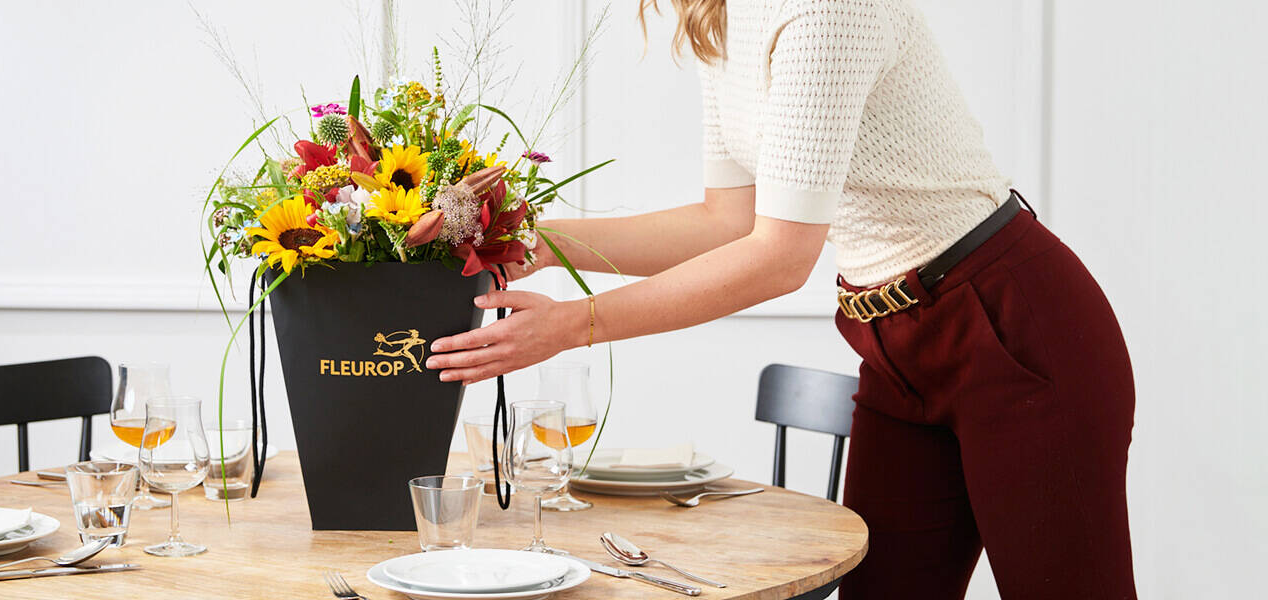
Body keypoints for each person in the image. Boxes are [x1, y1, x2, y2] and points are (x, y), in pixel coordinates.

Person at [426, 1, 1137, 598]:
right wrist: (535, 240)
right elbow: (727, 222)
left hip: (1013, 325)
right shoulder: (714, 14)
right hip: (892, 339)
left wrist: (573, 325)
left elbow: (780, 258)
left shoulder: (827, 8)